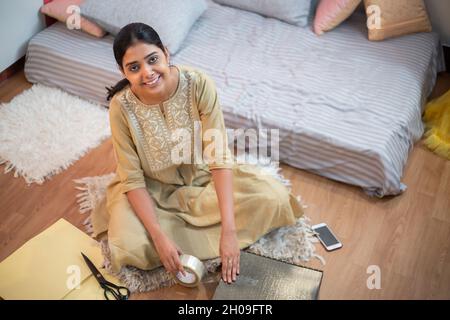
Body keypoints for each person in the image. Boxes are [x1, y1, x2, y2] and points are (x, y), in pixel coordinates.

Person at [90, 22, 304, 284]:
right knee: (127, 246)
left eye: (152, 59)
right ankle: (171, 240)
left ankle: (201, 237)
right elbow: (132, 179)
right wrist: (158, 236)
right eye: (134, 68)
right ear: (122, 71)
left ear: (166, 53)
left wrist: (229, 231)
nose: (147, 73)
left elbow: (218, 156)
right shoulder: (120, 107)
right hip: (151, 191)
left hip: (203, 181)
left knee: (275, 198)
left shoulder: (198, 84)